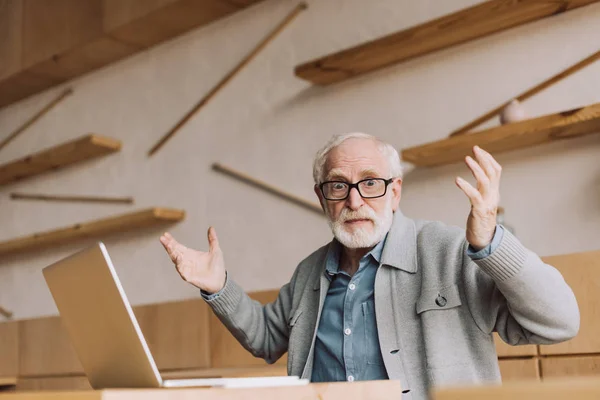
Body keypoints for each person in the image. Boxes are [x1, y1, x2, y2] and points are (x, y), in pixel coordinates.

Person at [159, 133, 579, 399]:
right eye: (339, 186)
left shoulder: (449, 250)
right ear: (322, 198)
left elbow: (559, 322)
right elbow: (268, 338)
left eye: (371, 184)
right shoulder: (309, 272)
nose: (355, 201)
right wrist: (219, 287)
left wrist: (490, 243)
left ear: (395, 192)